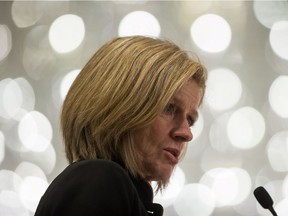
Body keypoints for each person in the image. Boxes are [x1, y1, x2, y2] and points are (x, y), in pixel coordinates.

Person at [34, 35, 207, 216]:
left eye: (190, 120)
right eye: (168, 108)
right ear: (119, 107)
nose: (186, 133)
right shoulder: (99, 181)